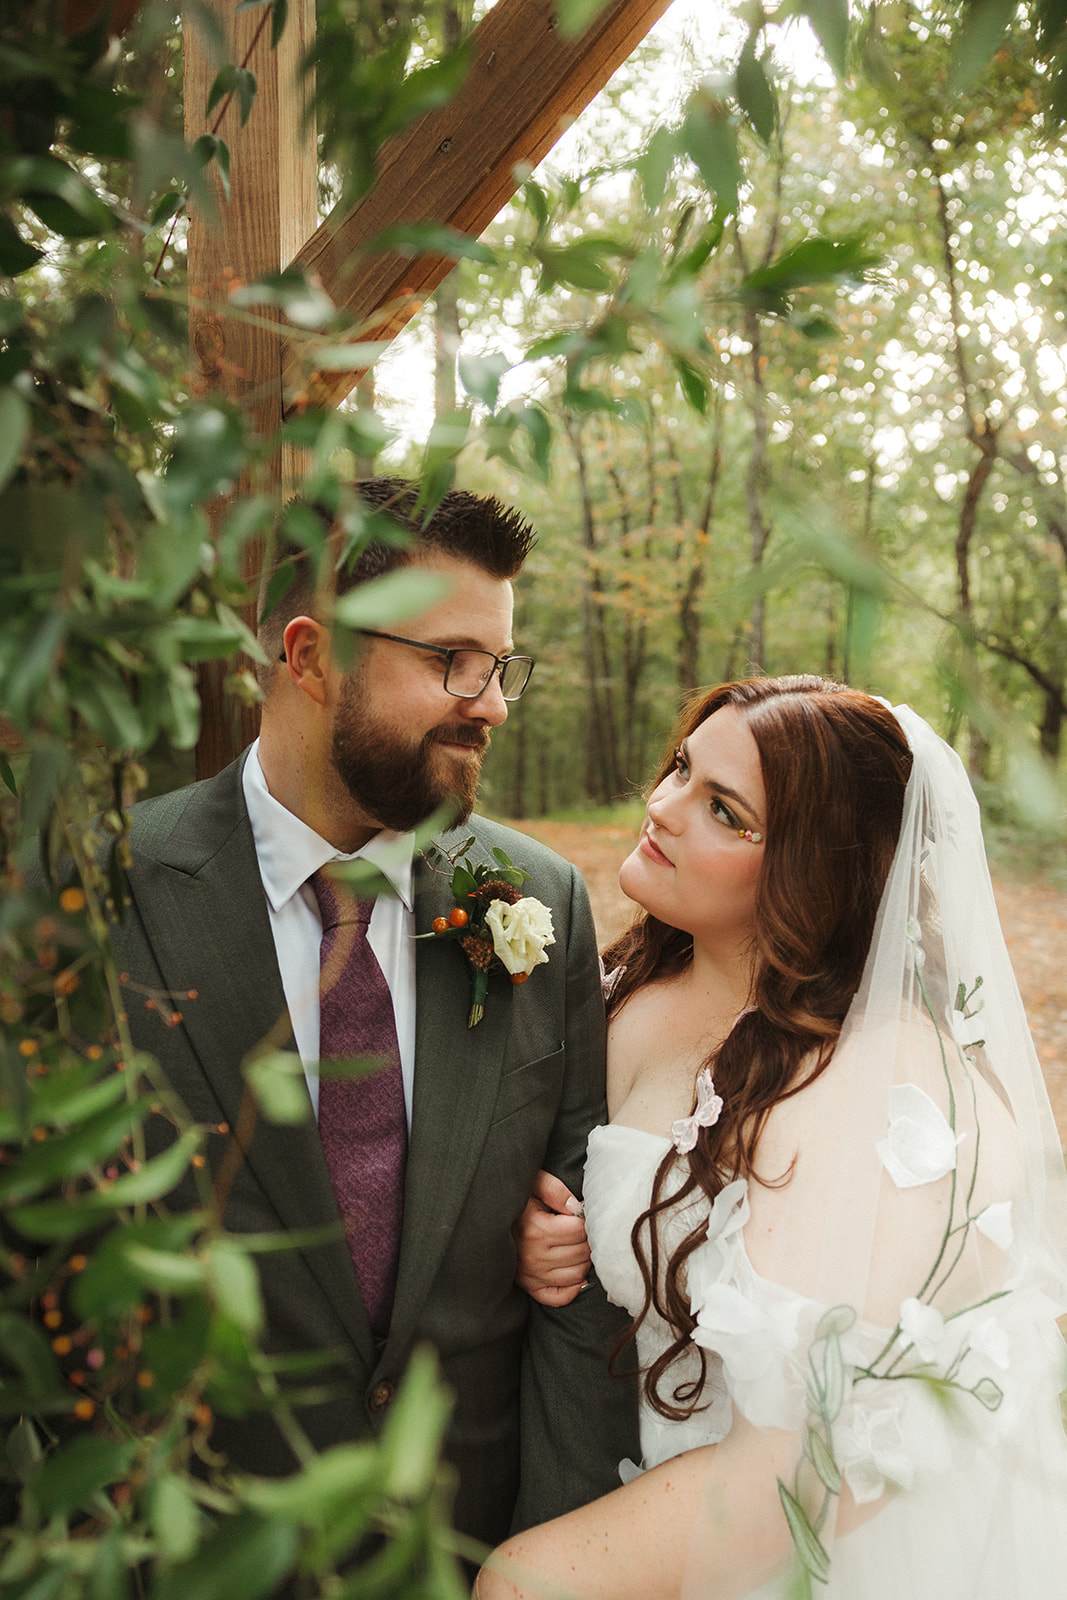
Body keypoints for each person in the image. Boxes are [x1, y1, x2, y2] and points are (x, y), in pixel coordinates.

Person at [106, 477, 638, 1547]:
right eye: (451, 662)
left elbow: (580, 1280)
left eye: (499, 668)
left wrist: (559, 1553)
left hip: (464, 1546)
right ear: (310, 658)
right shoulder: (108, 891)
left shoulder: (541, 901)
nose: (490, 702)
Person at [480, 675, 1067, 1599]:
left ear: (817, 870)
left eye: (724, 811)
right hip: (615, 1470)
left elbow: (809, 1469)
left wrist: (527, 1579)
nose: (662, 808)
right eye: (679, 769)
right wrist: (537, 1225)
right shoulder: (625, 984)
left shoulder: (886, 1099)